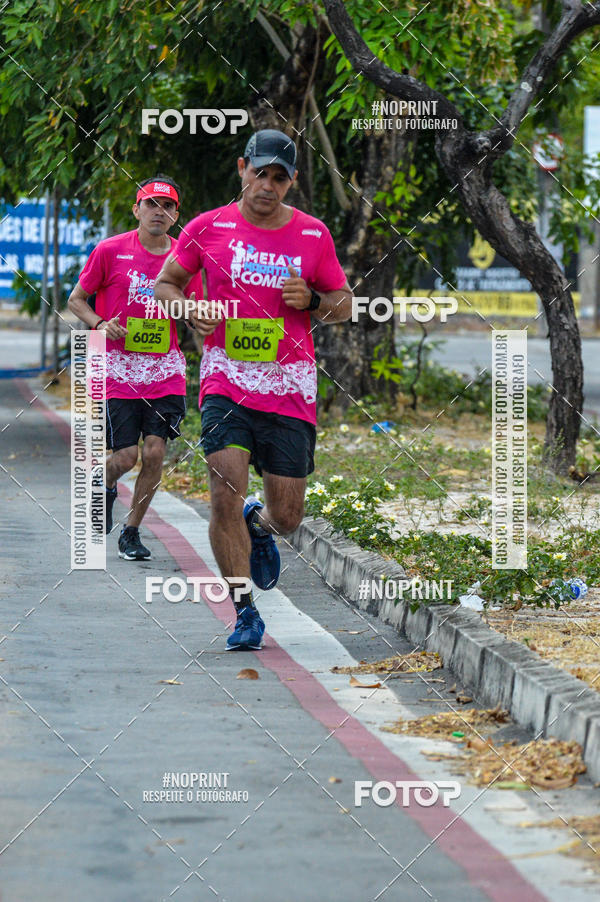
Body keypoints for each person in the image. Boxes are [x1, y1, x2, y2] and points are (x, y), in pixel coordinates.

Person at [154, 129, 353, 649]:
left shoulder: (312, 235)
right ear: (242, 169)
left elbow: (345, 304)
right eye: (260, 172)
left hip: (289, 386)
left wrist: (311, 300)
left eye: (280, 177)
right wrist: (188, 307)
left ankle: (259, 527)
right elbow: (166, 284)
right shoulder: (208, 227)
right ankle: (244, 611)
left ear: (292, 182)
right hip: (226, 380)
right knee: (224, 488)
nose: (268, 184)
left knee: (287, 515)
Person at [67, 175, 202, 560]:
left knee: (156, 453)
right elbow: (77, 299)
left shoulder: (184, 258)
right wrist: (99, 324)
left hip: (165, 370)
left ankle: (131, 532)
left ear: (176, 215)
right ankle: (103, 482)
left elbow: (191, 307)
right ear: (136, 210)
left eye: (168, 206)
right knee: (126, 457)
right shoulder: (110, 251)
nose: (159, 212)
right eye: (151, 204)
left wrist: (195, 316)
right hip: (118, 369)